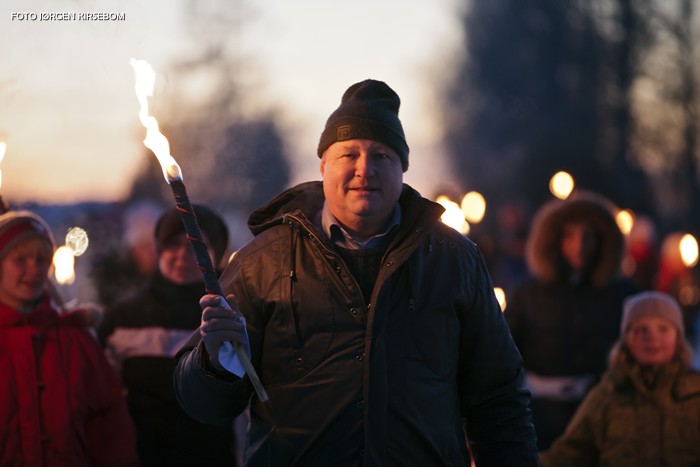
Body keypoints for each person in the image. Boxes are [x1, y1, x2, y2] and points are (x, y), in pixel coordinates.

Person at [173, 79, 539, 466]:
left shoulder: (454, 259)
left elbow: (499, 400)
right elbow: (203, 405)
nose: (365, 169)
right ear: (324, 165)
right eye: (349, 154)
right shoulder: (263, 261)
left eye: (382, 155)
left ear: (402, 170)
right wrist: (217, 364)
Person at [97, 204, 239, 467]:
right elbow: (104, 397)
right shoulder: (124, 317)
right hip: (139, 455)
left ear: (216, 255)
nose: (184, 255)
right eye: (173, 244)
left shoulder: (230, 317)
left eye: (198, 247)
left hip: (211, 456)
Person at [0, 210, 138, 466]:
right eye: (20, 259)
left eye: (41, 259)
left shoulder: (74, 340)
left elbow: (109, 428)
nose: (34, 269)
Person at [505, 191, 640, 450]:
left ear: (603, 240)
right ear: (554, 240)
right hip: (539, 418)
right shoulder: (528, 293)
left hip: (606, 417)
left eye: (588, 236)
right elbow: (501, 354)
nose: (579, 245)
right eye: (570, 235)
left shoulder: (624, 295)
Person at [539, 291, 700, 466]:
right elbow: (568, 453)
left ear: (678, 338)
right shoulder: (608, 395)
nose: (652, 337)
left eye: (663, 328)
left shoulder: (695, 394)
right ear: (626, 341)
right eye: (641, 329)